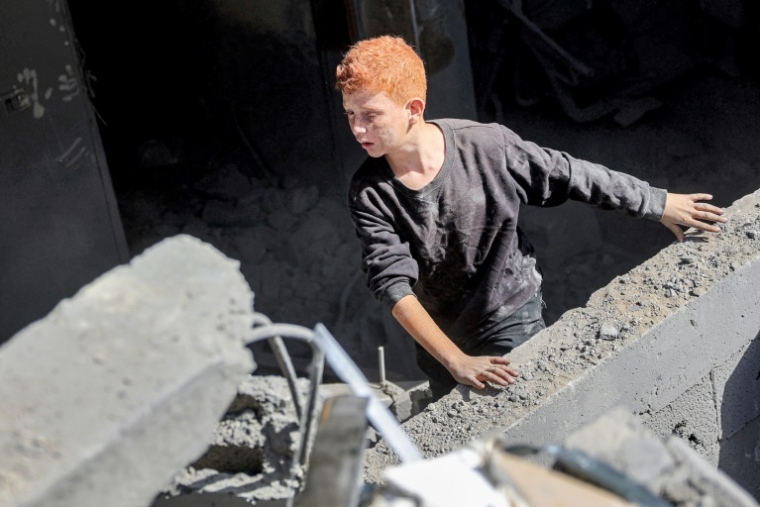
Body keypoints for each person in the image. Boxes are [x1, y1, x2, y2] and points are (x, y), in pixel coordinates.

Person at [336, 35, 727, 401]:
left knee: (517, 419)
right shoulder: (370, 191)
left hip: (510, 314)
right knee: (459, 439)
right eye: (350, 113)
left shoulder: (487, 147)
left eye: (370, 114)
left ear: (413, 110)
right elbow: (392, 284)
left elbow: (571, 174)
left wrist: (656, 203)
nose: (357, 128)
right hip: (440, 337)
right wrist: (453, 359)